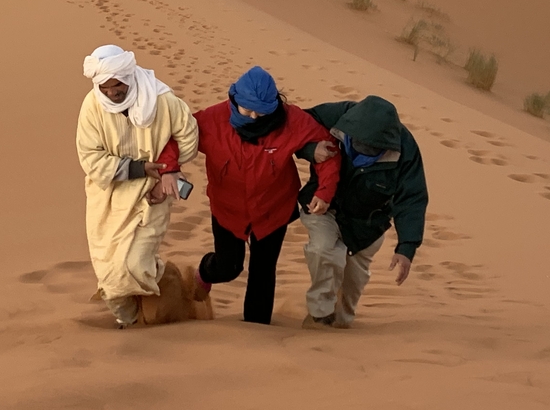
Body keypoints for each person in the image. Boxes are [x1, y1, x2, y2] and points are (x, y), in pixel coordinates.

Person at [191, 66, 341, 325]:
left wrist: (324, 192)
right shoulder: (210, 120)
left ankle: (256, 334)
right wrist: (169, 171)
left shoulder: (292, 120)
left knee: (263, 272)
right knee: (229, 267)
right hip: (228, 209)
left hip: (274, 209)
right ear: (234, 99)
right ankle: (204, 273)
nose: (254, 116)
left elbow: (328, 153)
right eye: (247, 108)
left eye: (261, 110)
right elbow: (173, 136)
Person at [77, 45, 199, 328]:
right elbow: (90, 158)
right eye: (104, 86)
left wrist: (169, 171)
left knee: (134, 265)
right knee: (107, 273)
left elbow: (188, 137)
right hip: (107, 195)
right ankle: (130, 322)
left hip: (153, 193)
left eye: (116, 85)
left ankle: (169, 284)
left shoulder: (163, 101)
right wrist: (135, 168)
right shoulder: (92, 106)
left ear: (129, 76)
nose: (111, 92)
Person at [297, 95, 428, 329]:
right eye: (357, 145)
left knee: (352, 284)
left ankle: (340, 322)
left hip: (368, 224)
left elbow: (412, 198)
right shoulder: (336, 115)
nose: (362, 153)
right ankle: (320, 316)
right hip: (323, 206)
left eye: (370, 150)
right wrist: (310, 148)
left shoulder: (406, 150)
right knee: (324, 250)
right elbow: (292, 126)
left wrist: (407, 247)